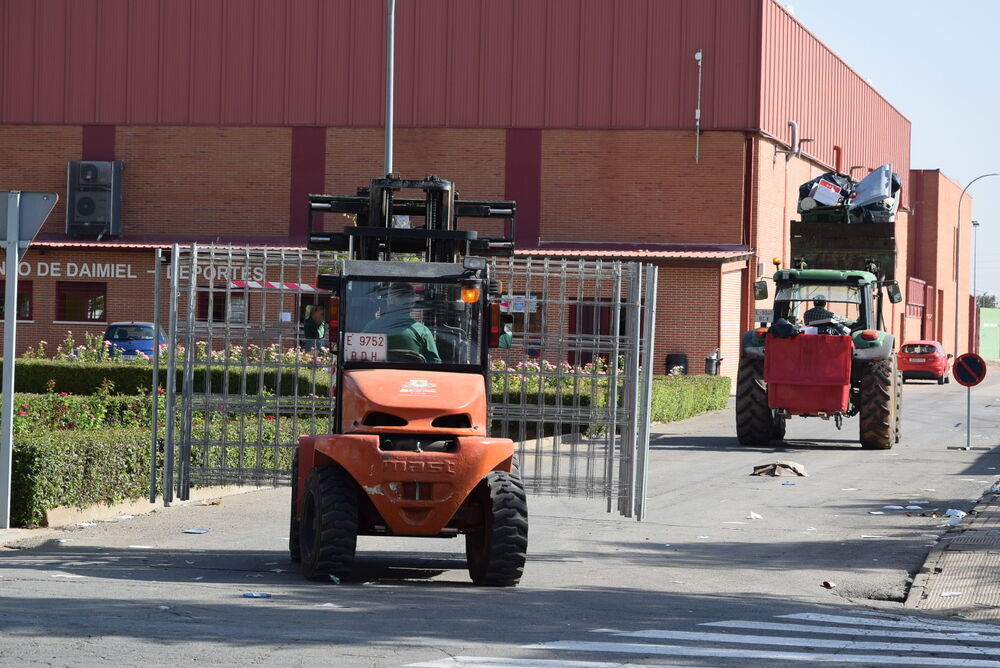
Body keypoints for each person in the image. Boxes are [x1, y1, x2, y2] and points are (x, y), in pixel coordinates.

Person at [363, 284, 442, 363]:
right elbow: (435, 363)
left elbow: (359, 355)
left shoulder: (372, 327)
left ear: (389, 300)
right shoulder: (423, 331)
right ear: (412, 303)